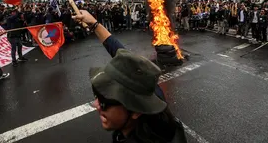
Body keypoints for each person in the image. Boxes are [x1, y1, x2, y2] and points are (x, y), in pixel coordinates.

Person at [73, 10, 187, 143]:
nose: (96, 105)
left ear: (135, 111)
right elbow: (124, 56)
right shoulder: (149, 93)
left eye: (105, 102)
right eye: (97, 96)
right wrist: (94, 23)